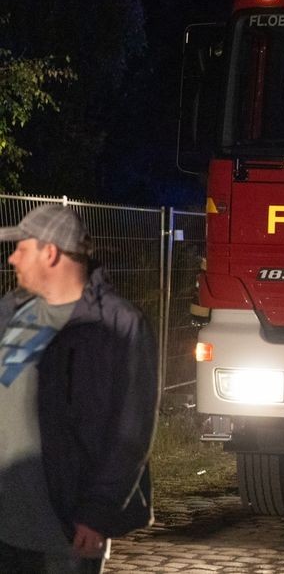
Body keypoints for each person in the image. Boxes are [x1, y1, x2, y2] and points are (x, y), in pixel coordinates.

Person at [0, 205, 159, 572]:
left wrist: (98, 512)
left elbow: (131, 430)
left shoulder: (117, 324)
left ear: (50, 252)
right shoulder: (12, 312)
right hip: (6, 523)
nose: (12, 258)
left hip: (65, 528)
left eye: (22, 248)